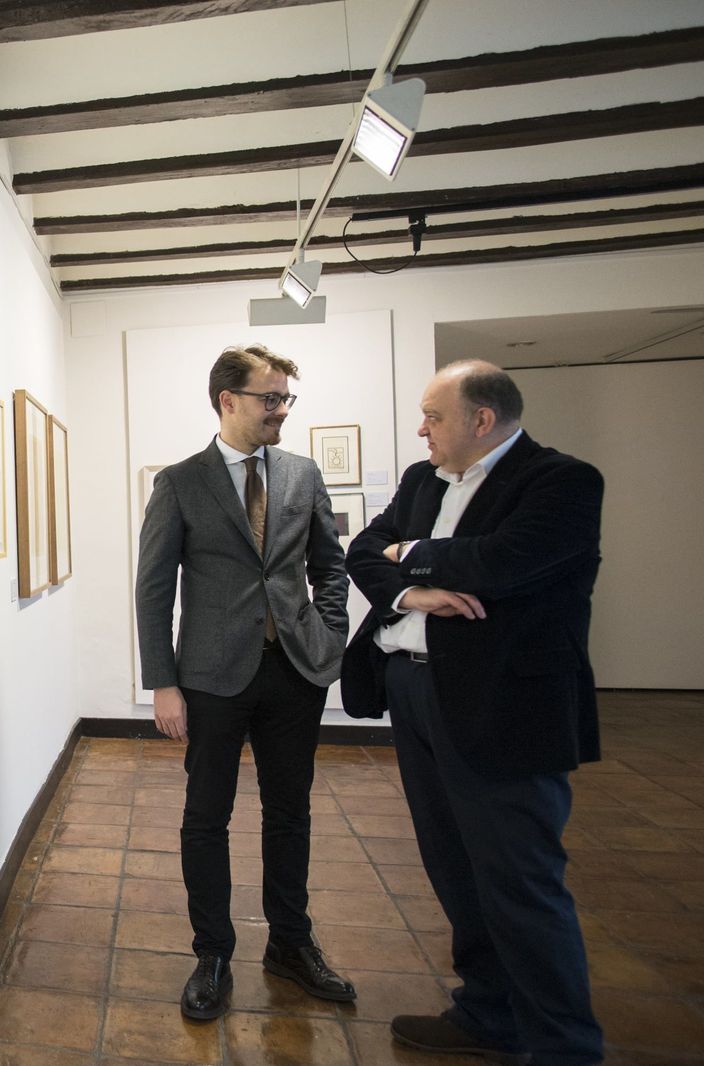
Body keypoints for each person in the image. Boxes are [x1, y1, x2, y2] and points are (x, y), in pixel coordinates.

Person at [341, 360, 603, 1066]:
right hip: (417, 693)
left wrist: (413, 554)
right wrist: (410, 594)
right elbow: (365, 552)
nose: (420, 428)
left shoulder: (562, 481)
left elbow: (503, 562)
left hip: (505, 708)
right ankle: (488, 1014)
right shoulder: (424, 480)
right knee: (454, 868)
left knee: (520, 881)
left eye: (432, 415)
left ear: (480, 420)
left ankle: (564, 1046)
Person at [136, 344, 353, 1020]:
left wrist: (328, 635)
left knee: (290, 812)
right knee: (207, 816)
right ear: (228, 401)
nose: (282, 409)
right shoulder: (181, 482)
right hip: (209, 678)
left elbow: (331, 566)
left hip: (294, 672)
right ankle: (214, 953)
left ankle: (291, 942)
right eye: (271, 397)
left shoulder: (301, 472)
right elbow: (152, 588)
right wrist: (161, 683)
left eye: (287, 397)